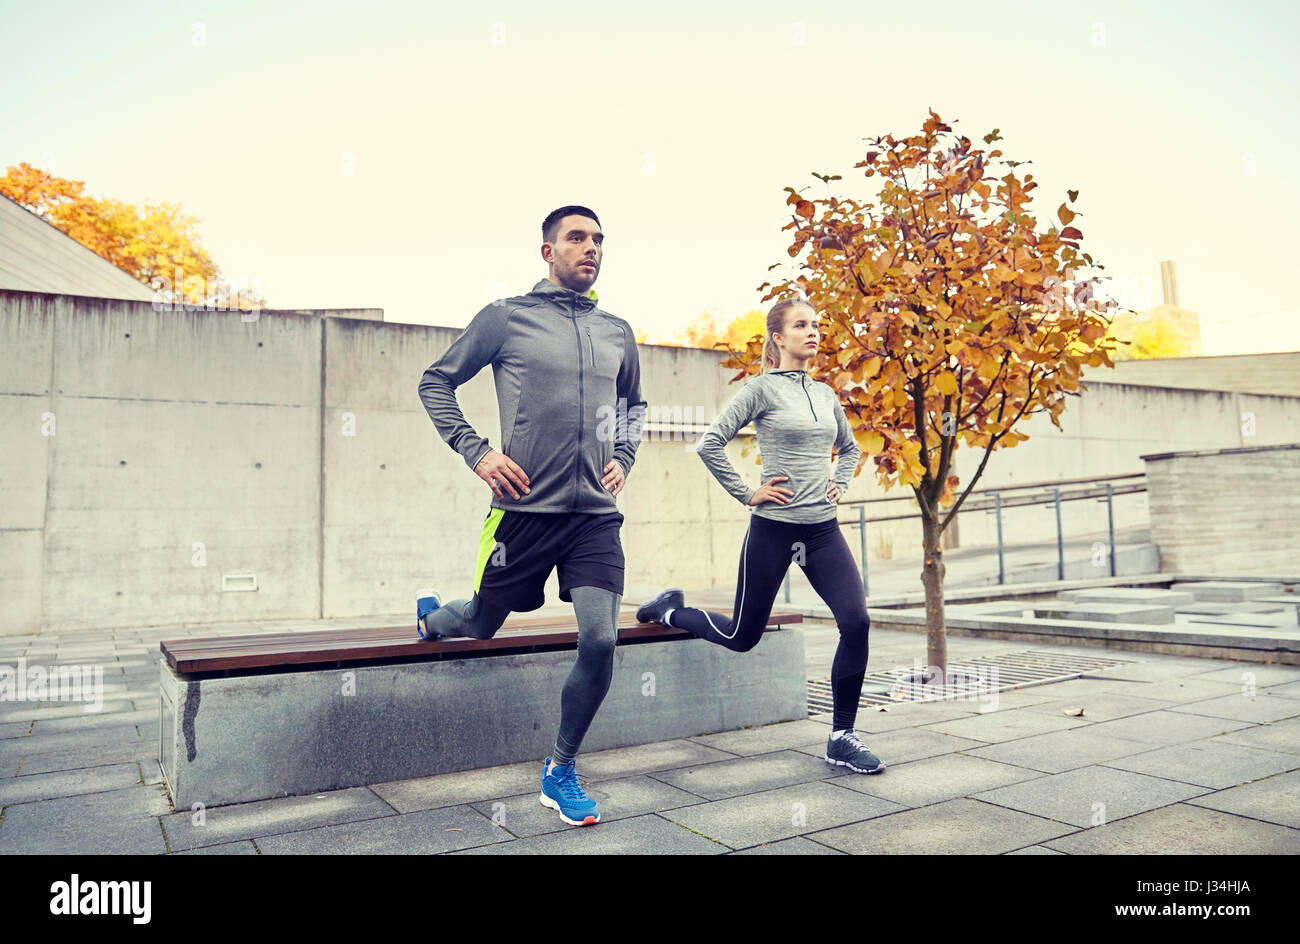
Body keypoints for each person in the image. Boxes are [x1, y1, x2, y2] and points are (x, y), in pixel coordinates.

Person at [416, 205, 647, 826]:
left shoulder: (617, 331)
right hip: (521, 513)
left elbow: (633, 405)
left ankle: (560, 768)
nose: (590, 247)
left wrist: (624, 454)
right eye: (577, 237)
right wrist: (479, 451)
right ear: (548, 251)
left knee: (600, 639)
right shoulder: (505, 318)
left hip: (594, 517)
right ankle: (433, 618)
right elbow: (435, 381)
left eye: (598, 238)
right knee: (481, 622)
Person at [635, 297, 885, 774]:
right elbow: (709, 443)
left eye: (815, 324)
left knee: (856, 621)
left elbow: (850, 449)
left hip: (822, 532)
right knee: (741, 635)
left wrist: (841, 482)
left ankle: (841, 736)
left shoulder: (826, 393)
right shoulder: (760, 390)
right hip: (773, 531)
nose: (812, 332)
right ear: (778, 337)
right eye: (800, 325)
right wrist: (747, 493)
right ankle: (667, 610)